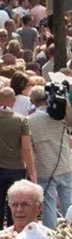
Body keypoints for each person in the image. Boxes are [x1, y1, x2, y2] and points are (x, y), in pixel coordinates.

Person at [27, 85, 72, 228]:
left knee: (48, 203)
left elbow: (30, 146)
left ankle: (51, 235)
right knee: (68, 201)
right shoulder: (58, 115)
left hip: (44, 166)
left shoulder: (30, 120)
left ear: (32, 100)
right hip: (64, 162)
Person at [0, 89, 33, 229]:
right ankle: (14, 233)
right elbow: (26, 147)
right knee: (15, 204)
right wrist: (31, 169)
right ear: (13, 101)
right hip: (17, 168)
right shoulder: (21, 120)